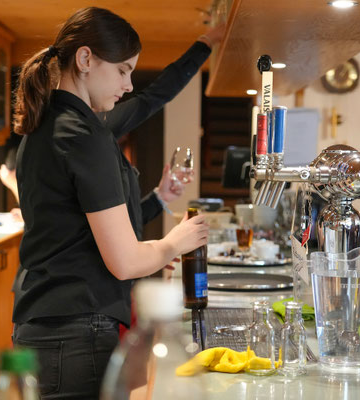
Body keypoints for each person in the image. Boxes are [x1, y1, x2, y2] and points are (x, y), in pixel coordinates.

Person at [11, 7, 215, 398]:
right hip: (75, 334)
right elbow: (124, 262)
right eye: (123, 70)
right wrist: (174, 243)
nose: (128, 84)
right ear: (86, 59)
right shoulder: (83, 135)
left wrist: (158, 201)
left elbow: (79, 230)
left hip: (49, 327)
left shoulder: (52, 124)